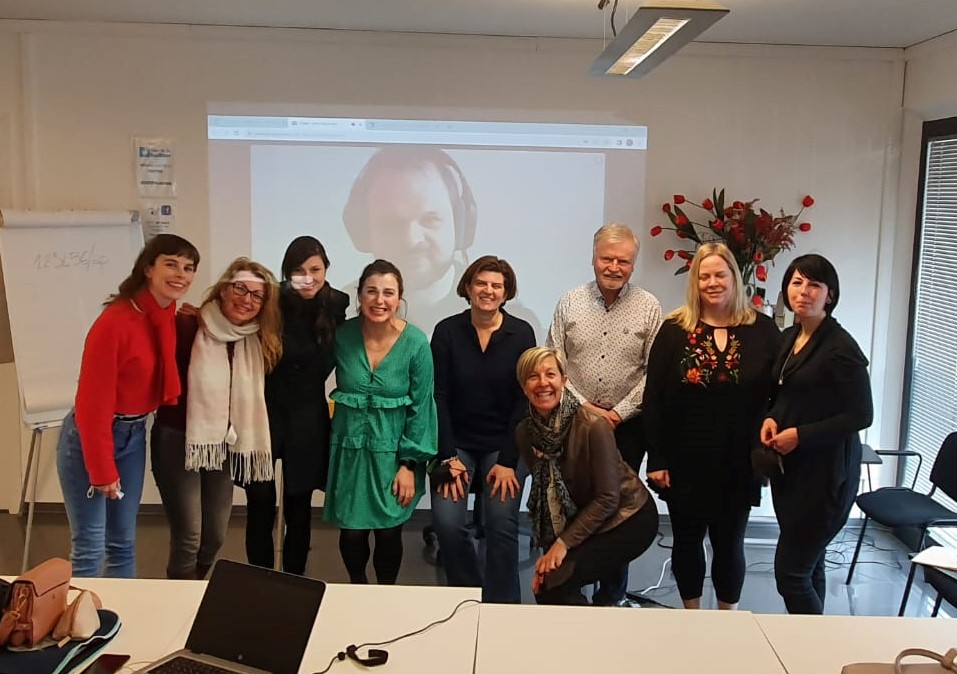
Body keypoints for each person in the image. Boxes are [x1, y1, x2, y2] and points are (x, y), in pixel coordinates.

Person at [644, 243, 780, 610]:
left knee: (730, 544)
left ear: (734, 277)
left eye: (720, 274)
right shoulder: (673, 330)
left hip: (740, 461)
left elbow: (782, 394)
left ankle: (726, 619)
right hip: (684, 460)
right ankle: (693, 620)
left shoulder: (764, 330)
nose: (712, 282)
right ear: (694, 282)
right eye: (704, 276)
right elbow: (653, 398)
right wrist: (656, 458)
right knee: (687, 542)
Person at [55, 233, 200, 578]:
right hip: (92, 437)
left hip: (133, 434)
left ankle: (118, 620)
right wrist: (102, 470)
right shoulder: (115, 323)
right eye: (171, 264)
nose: (181, 273)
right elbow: (92, 406)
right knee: (90, 544)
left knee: (122, 543)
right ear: (148, 269)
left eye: (189, 267)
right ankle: (82, 629)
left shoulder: (163, 314)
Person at [546, 222, 661, 605]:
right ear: (593, 259)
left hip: (626, 427)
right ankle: (573, 587)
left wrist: (618, 413)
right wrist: (584, 408)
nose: (614, 267)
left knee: (618, 512)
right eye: (607, 259)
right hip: (574, 423)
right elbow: (555, 364)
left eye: (623, 261)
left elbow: (654, 371)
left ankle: (612, 597)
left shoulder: (649, 307)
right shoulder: (569, 302)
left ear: (633, 264)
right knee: (579, 503)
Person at [151, 257, 282, 580]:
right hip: (179, 439)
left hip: (222, 445)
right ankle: (184, 601)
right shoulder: (188, 326)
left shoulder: (256, 339)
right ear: (224, 289)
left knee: (215, 537)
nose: (246, 299)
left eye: (256, 295)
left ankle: (191, 586)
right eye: (240, 289)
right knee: (189, 537)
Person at [760, 253, 873, 615]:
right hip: (792, 473)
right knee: (812, 565)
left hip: (826, 477)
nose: (804, 292)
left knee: (791, 573)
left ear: (830, 295)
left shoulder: (841, 348)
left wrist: (801, 436)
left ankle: (809, 650)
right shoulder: (790, 336)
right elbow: (785, 391)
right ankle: (816, 643)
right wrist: (772, 418)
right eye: (797, 283)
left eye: (814, 285)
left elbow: (861, 415)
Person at [342, 145, 541, 336]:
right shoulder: (340, 312)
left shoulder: (515, 325)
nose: (412, 240)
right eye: (392, 223)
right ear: (362, 229)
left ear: (461, 224)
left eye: (430, 220)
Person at [429, 255, 536, 603]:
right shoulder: (447, 330)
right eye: (481, 283)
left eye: (496, 285)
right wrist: (447, 455)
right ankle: (467, 597)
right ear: (468, 287)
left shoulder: (521, 333)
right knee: (447, 524)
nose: (488, 291)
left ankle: (504, 605)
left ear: (506, 293)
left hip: (503, 446)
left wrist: (508, 460)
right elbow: (438, 396)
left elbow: (524, 402)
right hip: (456, 445)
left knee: (501, 523)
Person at [515, 346, 659, 605]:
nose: (543, 383)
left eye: (550, 374)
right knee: (549, 582)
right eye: (533, 377)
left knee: (556, 584)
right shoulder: (525, 433)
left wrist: (563, 544)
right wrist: (547, 561)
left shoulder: (593, 425)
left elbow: (608, 498)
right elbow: (549, 502)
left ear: (564, 381)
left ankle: (594, 635)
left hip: (629, 518)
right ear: (523, 386)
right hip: (589, 516)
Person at [325, 259, 438, 584]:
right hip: (350, 451)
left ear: (399, 298)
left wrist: (409, 464)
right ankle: (357, 588)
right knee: (352, 534)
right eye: (371, 291)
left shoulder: (416, 343)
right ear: (359, 295)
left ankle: (385, 594)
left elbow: (421, 406)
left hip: (395, 454)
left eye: (388, 292)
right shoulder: (341, 336)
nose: (379, 299)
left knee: (389, 534)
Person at [244, 236, 348, 575]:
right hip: (264, 412)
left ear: (326, 269)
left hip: (308, 417)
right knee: (259, 504)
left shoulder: (337, 305)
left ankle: (292, 581)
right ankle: (258, 580)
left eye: (315, 269)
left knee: (299, 508)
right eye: (298, 270)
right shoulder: (270, 303)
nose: (308, 277)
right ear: (287, 273)